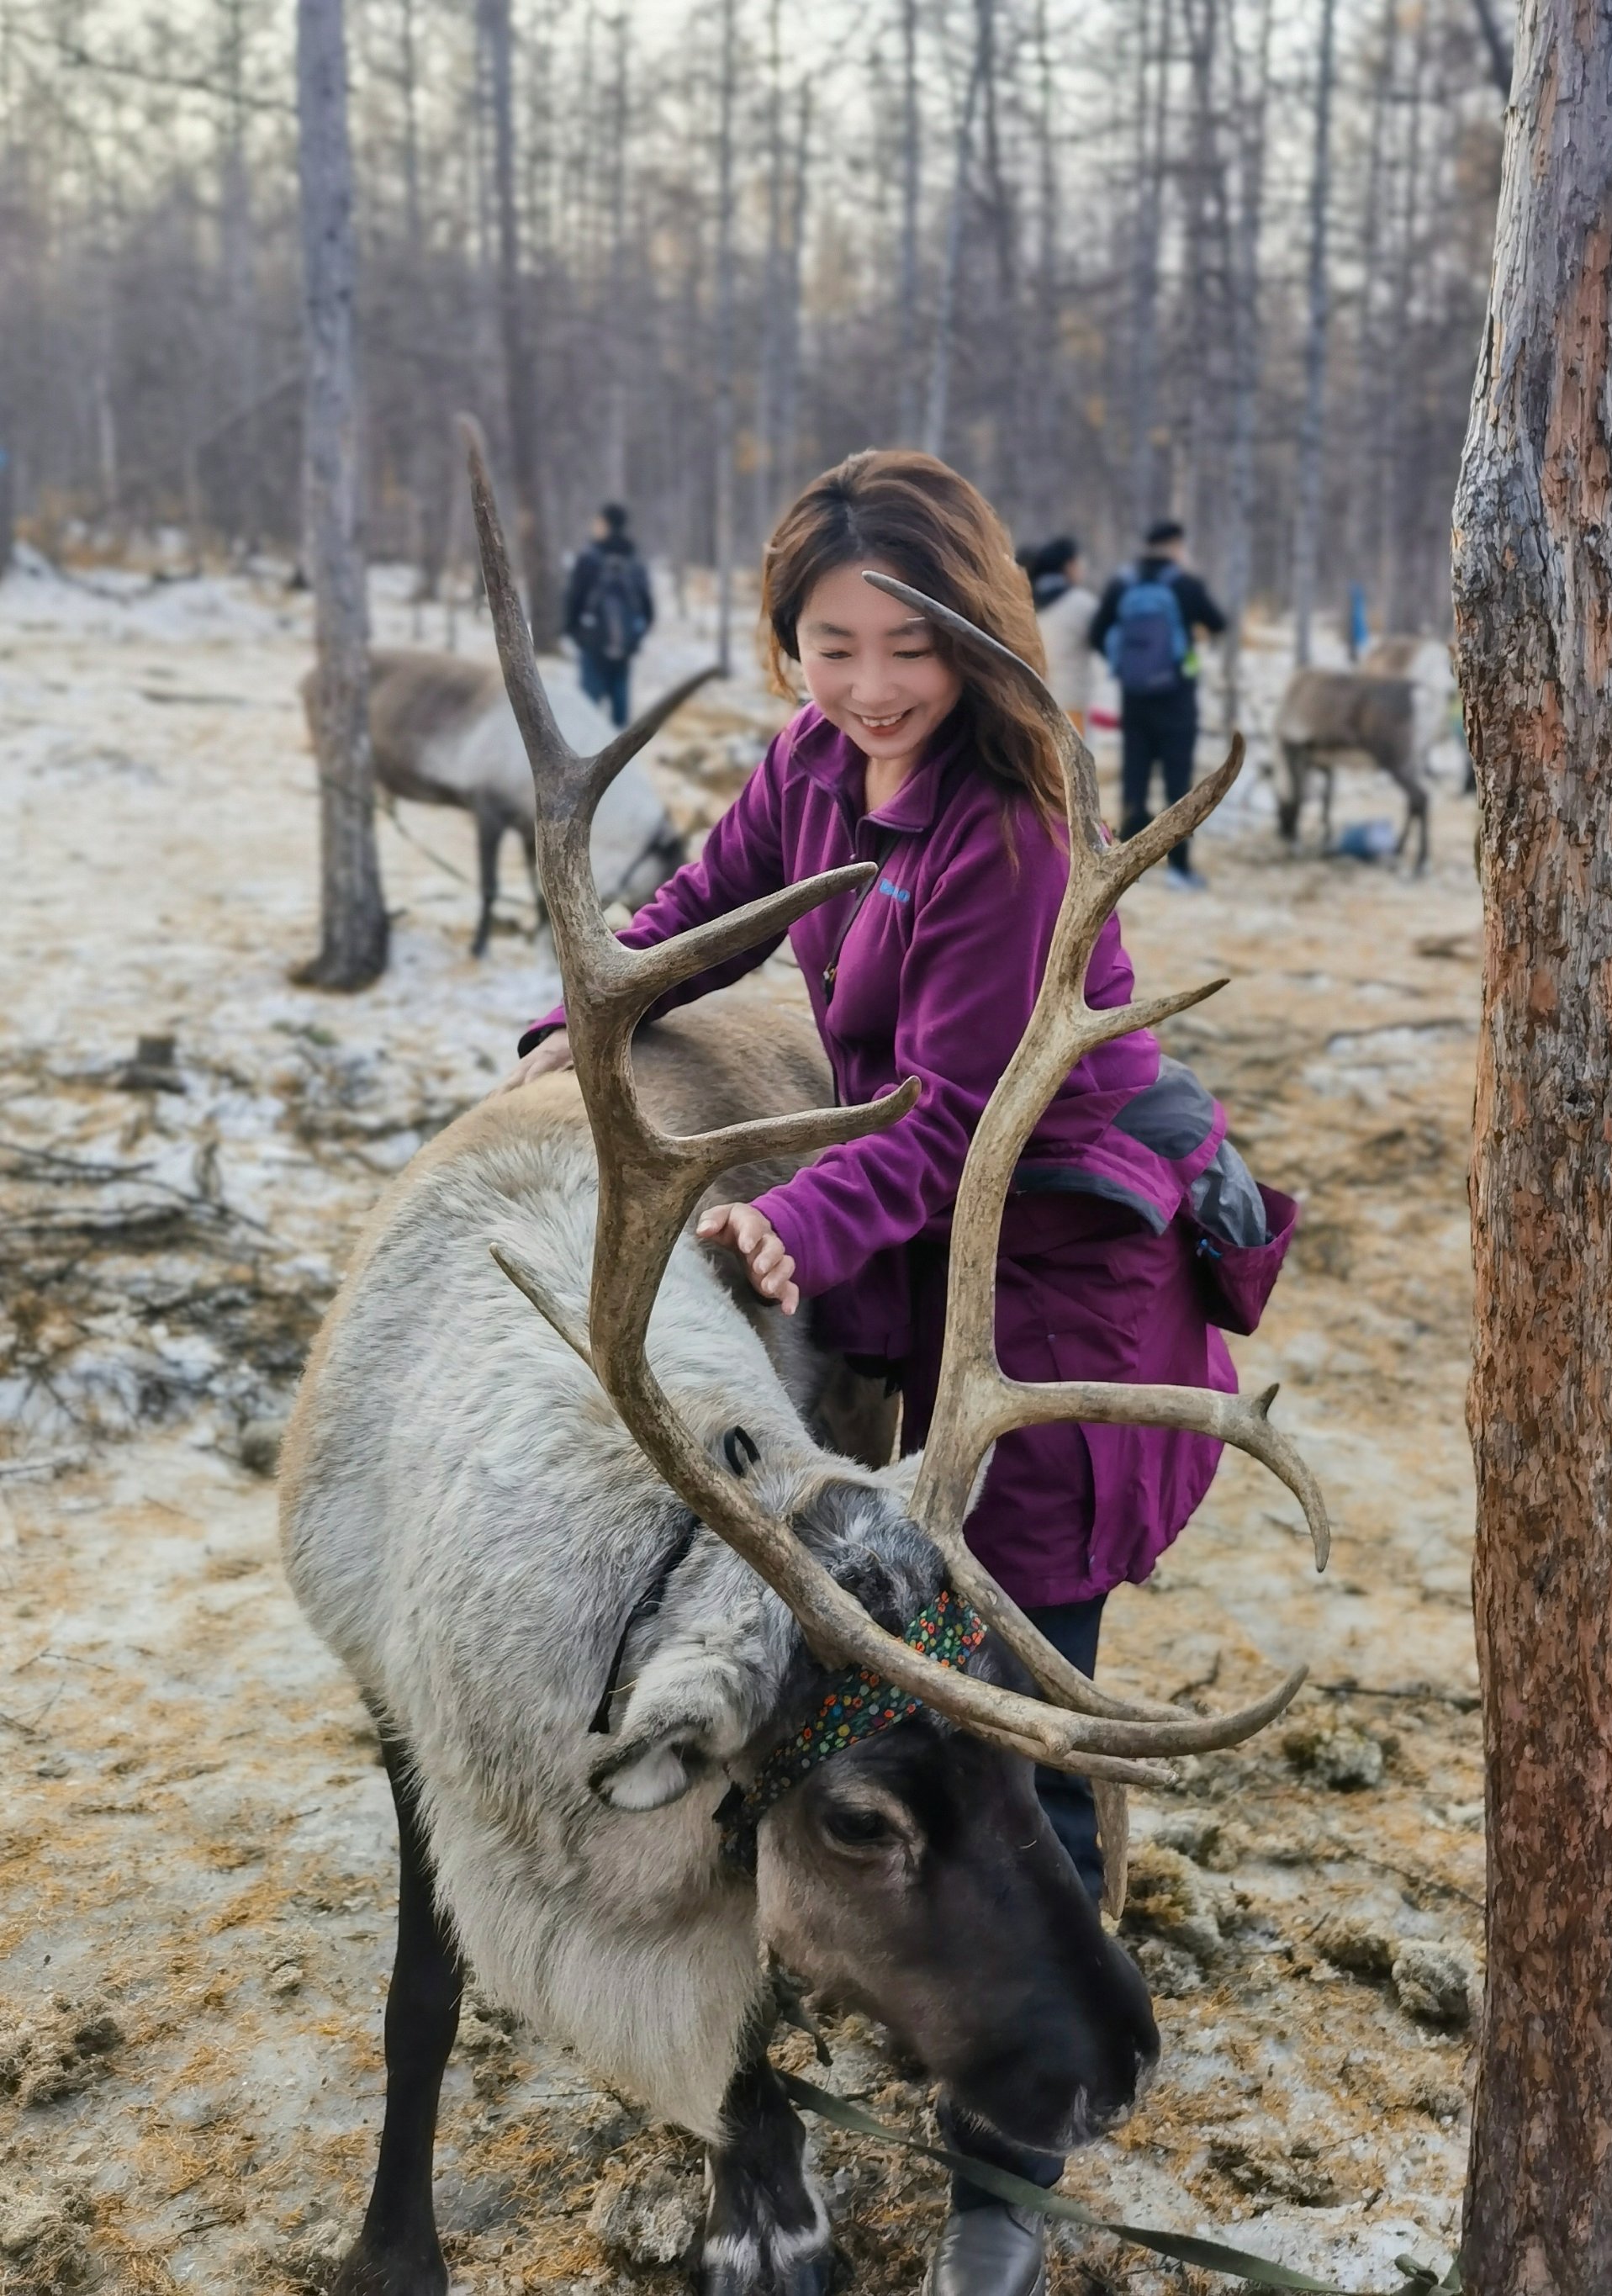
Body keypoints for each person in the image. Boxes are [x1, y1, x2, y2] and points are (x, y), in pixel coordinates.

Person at [505, 449, 1296, 2296]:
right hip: (930, 1275)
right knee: (886, 1683)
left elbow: (944, 1123)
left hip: (1063, 1294)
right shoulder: (815, 763)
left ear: (971, 636)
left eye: (905, 647)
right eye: (828, 642)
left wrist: (803, 1224)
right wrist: (581, 1024)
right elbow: (696, 914)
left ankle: (1012, 2161)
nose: (867, 683)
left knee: (1026, 1695)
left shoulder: (1007, 833)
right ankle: (902, 1973)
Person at [1087, 518, 1227, 890]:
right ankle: (1179, 869)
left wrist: (1125, 666)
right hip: (1177, 700)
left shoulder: (1122, 584)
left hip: (1134, 700)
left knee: (1134, 779)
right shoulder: (1186, 584)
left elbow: (1096, 634)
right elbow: (1218, 622)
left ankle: (1129, 869)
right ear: (1177, 545)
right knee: (1178, 786)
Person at [563, 502, 654, 727]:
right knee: (619, 720)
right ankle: (619, 760)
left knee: (587, 714)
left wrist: (575, 633)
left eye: (598, 522)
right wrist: (634, 638)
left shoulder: (588, 559)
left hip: (592, 647)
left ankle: (587, 759)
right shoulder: (634, 561)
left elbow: (573, 600)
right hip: (623, 650)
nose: (594, 526)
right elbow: (648, 609)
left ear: (607, 525)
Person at [1026, 536, 1098, 733]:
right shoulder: (1082, 603)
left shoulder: (1024, 599)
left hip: (1034, 703)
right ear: (1069, 566)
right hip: (1072, 701)